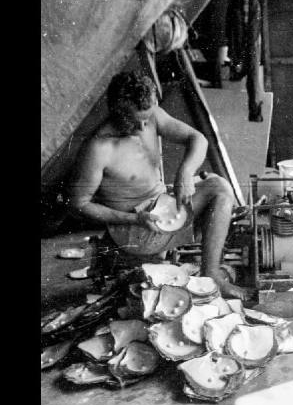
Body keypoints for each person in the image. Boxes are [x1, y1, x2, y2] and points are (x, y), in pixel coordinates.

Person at [68, 71, 248, 300]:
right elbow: (79, 204)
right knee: (220, 190)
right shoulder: (98, 148)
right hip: (138, 230)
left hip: (161, 206)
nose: (144, 127)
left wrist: (185, 172)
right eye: (136, 121)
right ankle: (211, 275)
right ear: (117, 111)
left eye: (148, 118)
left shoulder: (150, 115)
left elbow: (198, 139)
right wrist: (134, 219)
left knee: (217, 185)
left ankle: (210, 274)